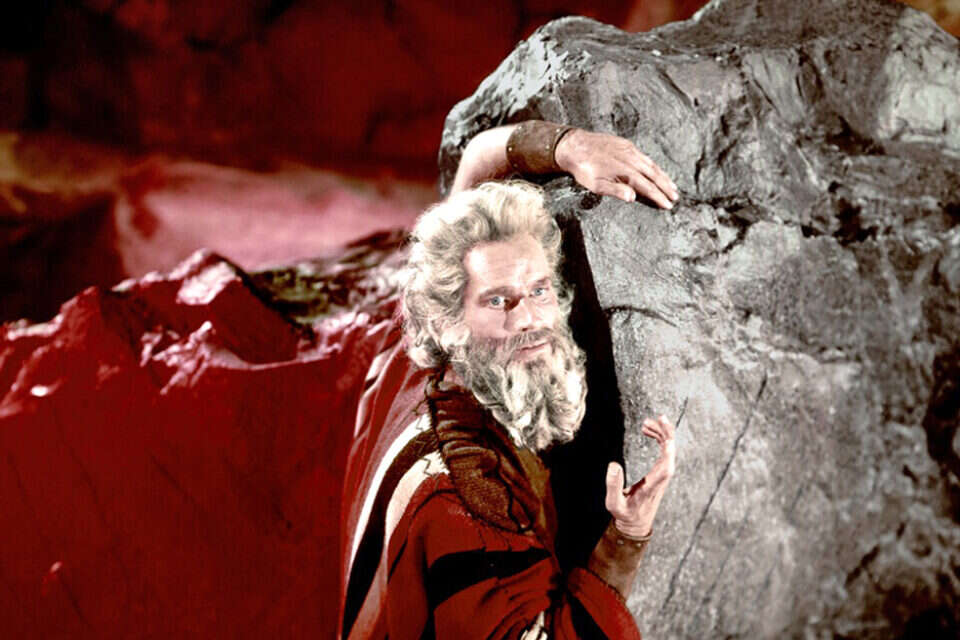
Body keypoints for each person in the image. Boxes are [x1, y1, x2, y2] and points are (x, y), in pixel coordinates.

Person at [338, 121, 679, 639]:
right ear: (448, 320)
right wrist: (626, 537)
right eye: (499, 301)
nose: (528, 320)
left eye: (539, 290)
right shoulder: (472, 501)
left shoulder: (419, 364)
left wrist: (568, 147)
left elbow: (478, 161)